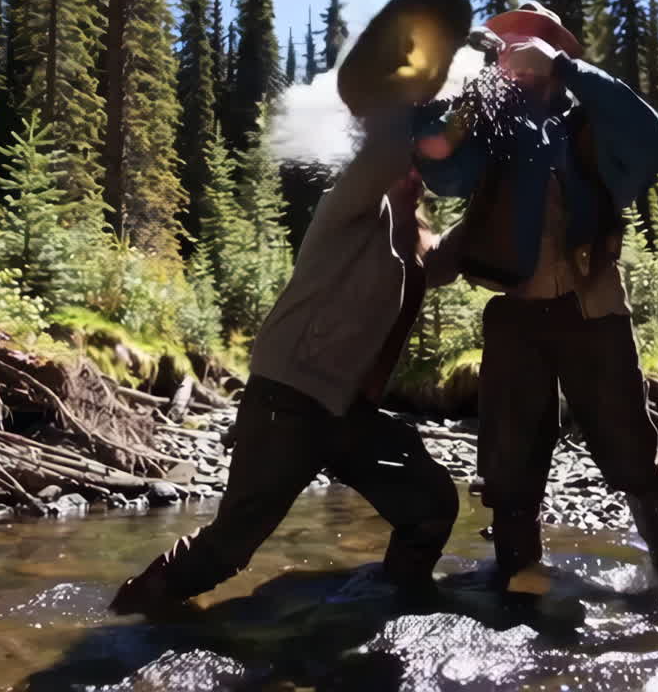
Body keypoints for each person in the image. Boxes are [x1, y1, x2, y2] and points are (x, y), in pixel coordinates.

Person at [109, 113, 457, 615]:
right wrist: (431, 105)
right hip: (287, 399)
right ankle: (126, 623)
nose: (415, 168)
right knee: (228, 550)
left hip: (348, 411)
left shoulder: (418, 240)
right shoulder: (352, 202)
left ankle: (393, 603)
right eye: (411, 156)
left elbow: (467, 250)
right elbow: (382, 153)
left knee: (431, 505)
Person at [414, 1, 658, 590]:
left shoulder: (590, 120)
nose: (512, 58)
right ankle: (518, 580)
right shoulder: (489, 121)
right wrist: (466, 95)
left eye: (526, 47)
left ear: (554, 53)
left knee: (627, 447)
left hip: (590, 308)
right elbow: (442, 172)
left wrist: (567, 69)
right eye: (504, 49)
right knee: (509, 460)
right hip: (515, 316)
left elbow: (656, 140)